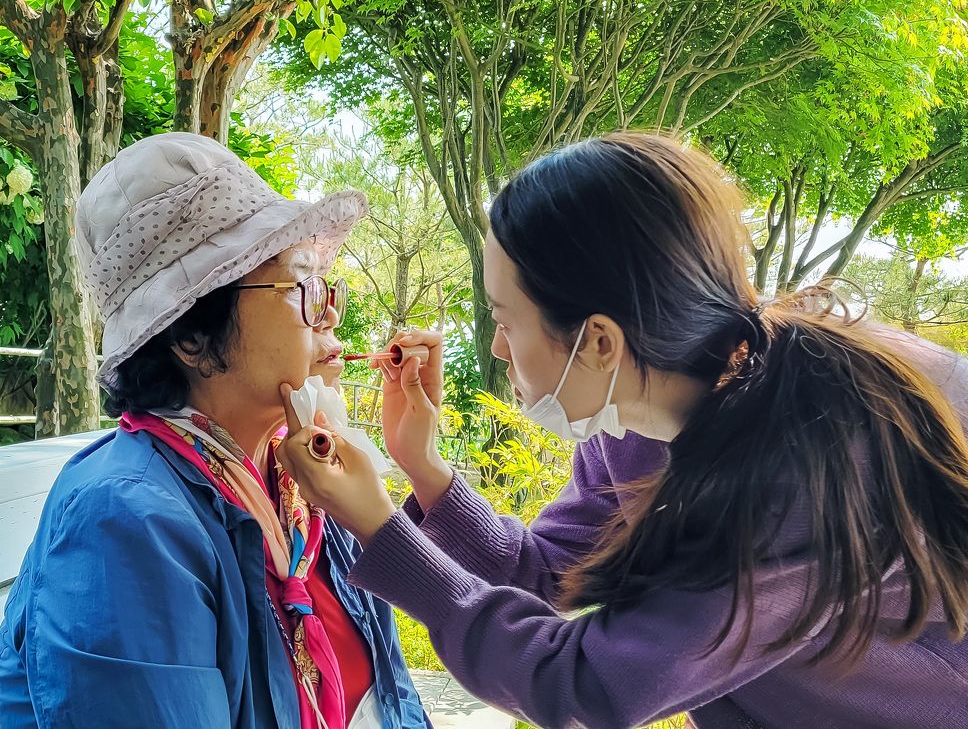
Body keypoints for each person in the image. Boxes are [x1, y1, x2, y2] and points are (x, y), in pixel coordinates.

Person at [275, 133, 968, 729]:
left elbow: (584, 686)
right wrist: (425, 469)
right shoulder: (643, 407)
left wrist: (378, 528)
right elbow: (552, 573)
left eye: (506, 320)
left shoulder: (804, 467)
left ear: (600, 341)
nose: (496, 347)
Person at [0, 133, 430, 729]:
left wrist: (417, 467)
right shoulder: (125, 523)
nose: (327, 311)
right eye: (300, 285)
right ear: (191, 337)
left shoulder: (300, 480)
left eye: (325, 285)